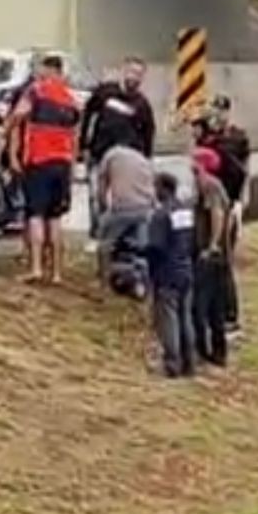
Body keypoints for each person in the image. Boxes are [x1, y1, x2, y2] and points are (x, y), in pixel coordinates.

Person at [8, 54, 80, 285]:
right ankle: (57, 273)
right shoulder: (71, 99)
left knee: (35, 215)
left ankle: (36, 268)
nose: (39, 74)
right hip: (63, 163)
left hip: (39, 161)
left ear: (49, 70)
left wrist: (4, 129)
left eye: (42, 70)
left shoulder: (36, 91)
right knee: (55, 217)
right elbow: (75, 137)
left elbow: (19, 115)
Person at [80, 56, 157, 241]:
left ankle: (123, 235)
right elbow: (88, 116)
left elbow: (148, 134)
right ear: (123, 70)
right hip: (100, 153)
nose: (134, 77)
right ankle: (97, 234)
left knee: (125, 199)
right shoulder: (105, 92)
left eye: (139, 74)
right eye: (131, 71)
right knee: (96, 196)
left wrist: (145, 160)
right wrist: (83, 144)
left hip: (128, 162)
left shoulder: (142, 105)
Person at [196, 94, 252, 334]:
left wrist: (241, 201)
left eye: (221, 111)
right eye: (214, 111)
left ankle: (230, 314)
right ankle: (212, 311)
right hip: (208, 199)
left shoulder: (238, 138)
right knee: (208, 260)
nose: (217, 115)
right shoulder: (207, 138)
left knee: (223, 257)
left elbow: (245, 170)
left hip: (227, 201)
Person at [145, 172, 196, 379]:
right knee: (185, 317)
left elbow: (156, 247)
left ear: (163, 189)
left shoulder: (160, 215)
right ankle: (189, 362)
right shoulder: (185, 211)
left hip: (166, 272)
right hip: (185, 268)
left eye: (155, 187)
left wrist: (151, 272)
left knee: (169, 319)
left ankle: (172, 364)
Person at [191, 146, 232, 368]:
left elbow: (218, 214)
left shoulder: (209, 186)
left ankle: (206, 351)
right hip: (216, 254)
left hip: (210, 256)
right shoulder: (211, 186)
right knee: (214, 305)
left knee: (202, 305)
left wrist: (212, 245)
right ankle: (217, 352)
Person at [95, 141, 156, 287]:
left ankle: (104, 280)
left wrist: (103, 207)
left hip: (122, 207)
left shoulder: (111, 155)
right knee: (142, 247)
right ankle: (147, 280)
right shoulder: (142, 159)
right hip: (146, 208)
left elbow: (102, 185)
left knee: (104, 244)